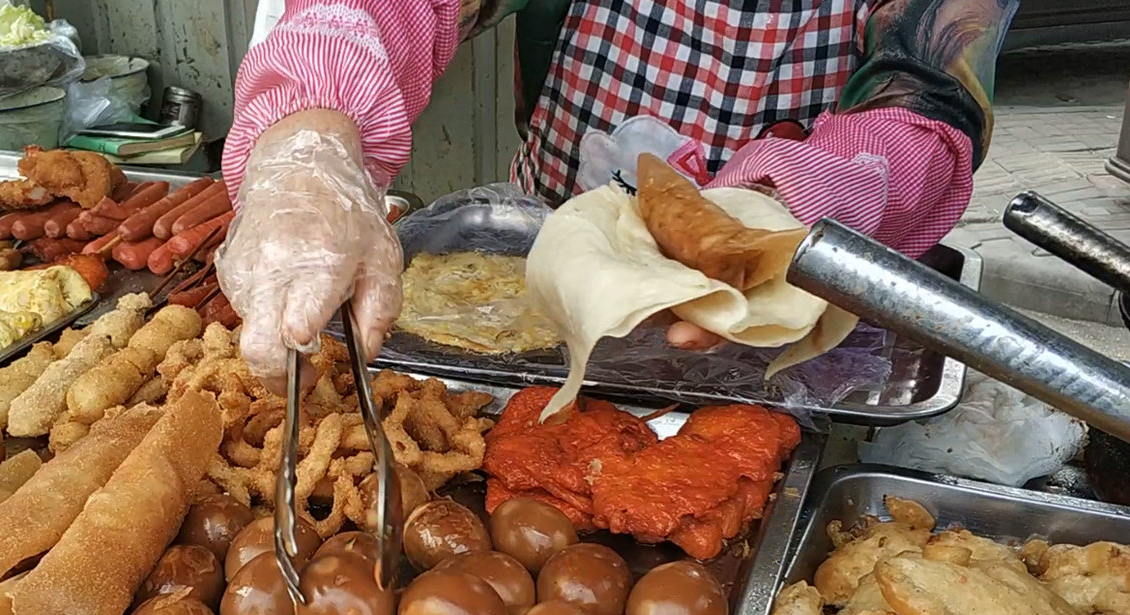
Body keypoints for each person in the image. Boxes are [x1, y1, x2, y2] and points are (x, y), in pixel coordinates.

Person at [217, 0, 1019, 390]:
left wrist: (775, 211)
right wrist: (307, 129)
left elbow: (926, 102)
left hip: (788, 281)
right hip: (535, 273)